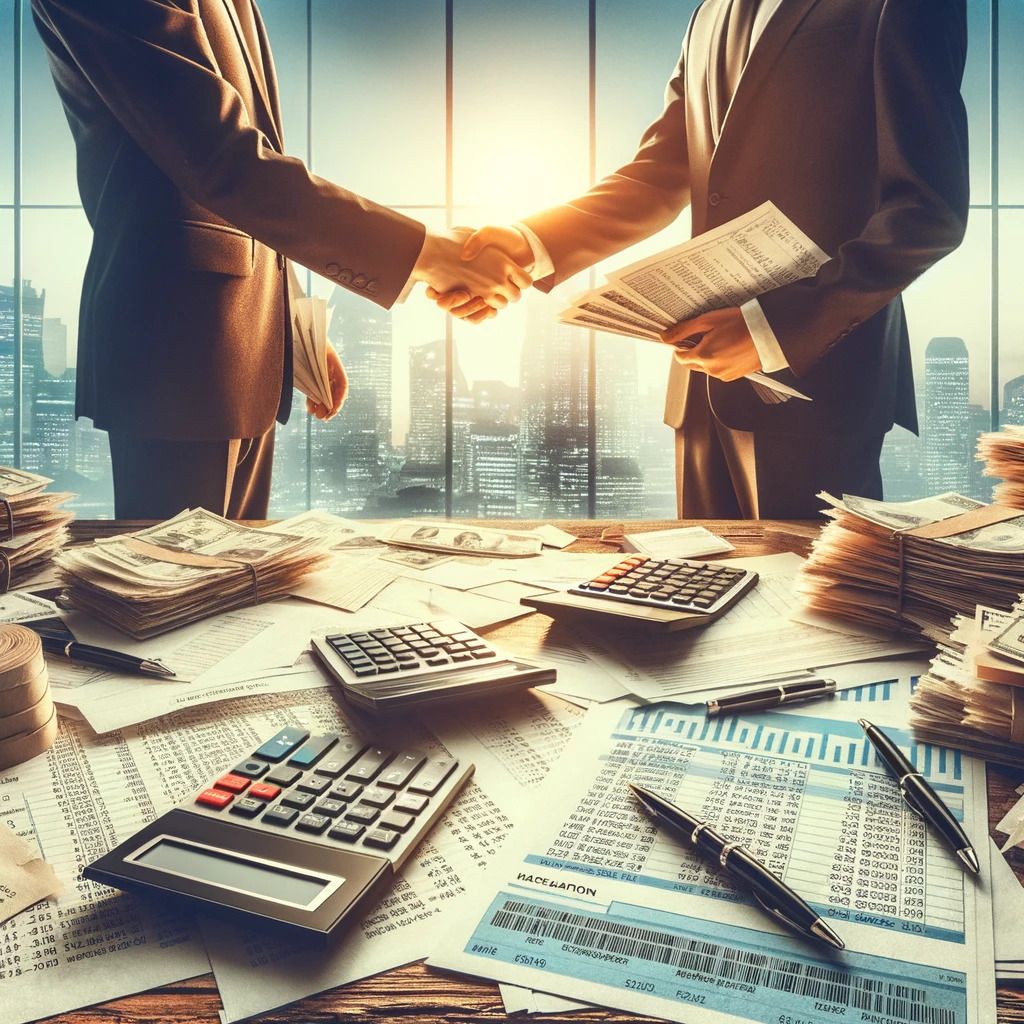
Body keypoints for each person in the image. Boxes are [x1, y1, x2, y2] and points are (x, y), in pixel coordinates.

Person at [432, 0, 969, 519]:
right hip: (698, 375)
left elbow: (928, 210)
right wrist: (526, 243)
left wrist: (774, 331)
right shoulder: (709, 15)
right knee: (704, 575)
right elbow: (660, 174)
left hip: (815, 384)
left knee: (808, 581)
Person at [31, 0, 529, 520]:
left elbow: (256, 166)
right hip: (173, 350)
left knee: (241, 567)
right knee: (177, 568)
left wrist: (292, 324)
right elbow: (223, 158)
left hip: (244, 343)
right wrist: (426, 253)